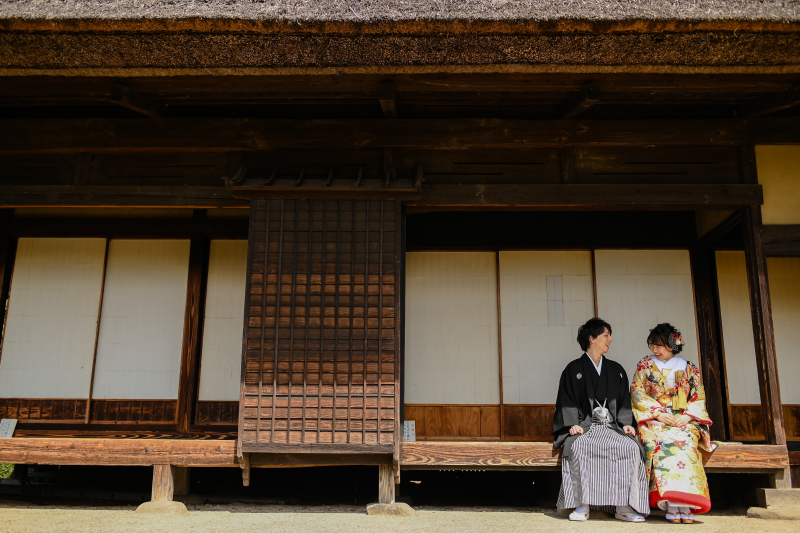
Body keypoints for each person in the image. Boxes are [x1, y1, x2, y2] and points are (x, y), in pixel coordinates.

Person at [553, 317, 650, 522]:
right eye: (606, 335)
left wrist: (626, 425)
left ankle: (623, 506)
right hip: (585, 427)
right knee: (579, 447)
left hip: (612, 427)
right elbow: (566, 400)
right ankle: (582, 505)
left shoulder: (616, 370)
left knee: (630, 448)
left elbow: (624, 401)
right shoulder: (573, 369)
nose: (610, 340)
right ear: (592, 338)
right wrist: (572, 425)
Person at [630, 323, 716, 524]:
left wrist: (688, 417)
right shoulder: (645, 365)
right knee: (661, 444)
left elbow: (698, 396)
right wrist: (657, 414)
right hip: (655, 420)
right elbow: (637, 392)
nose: (654, 350)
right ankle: (673, 503)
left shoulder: (688, 368)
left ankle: (685, 503)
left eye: (659, 345)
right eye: (652, 345)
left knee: (684, 442)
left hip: (683, 419)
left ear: (672, 345)